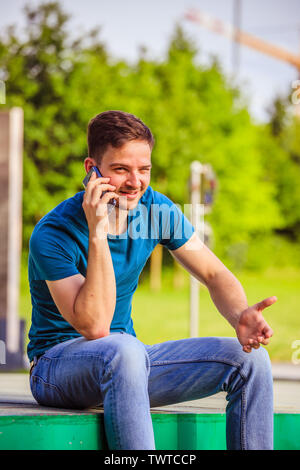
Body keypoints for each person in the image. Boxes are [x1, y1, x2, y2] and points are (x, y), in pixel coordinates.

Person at [28, 110, 276, 450]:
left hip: (128, 364)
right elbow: (96, 327)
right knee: (123, 348)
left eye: (143, 169)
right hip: (56, 371)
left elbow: (214, 272)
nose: (136, 182)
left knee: (250, 360)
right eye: (121, 169)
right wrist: (97, 232)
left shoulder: (155, 210)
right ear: (92, 170)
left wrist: (240, 315)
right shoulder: (54, 232)